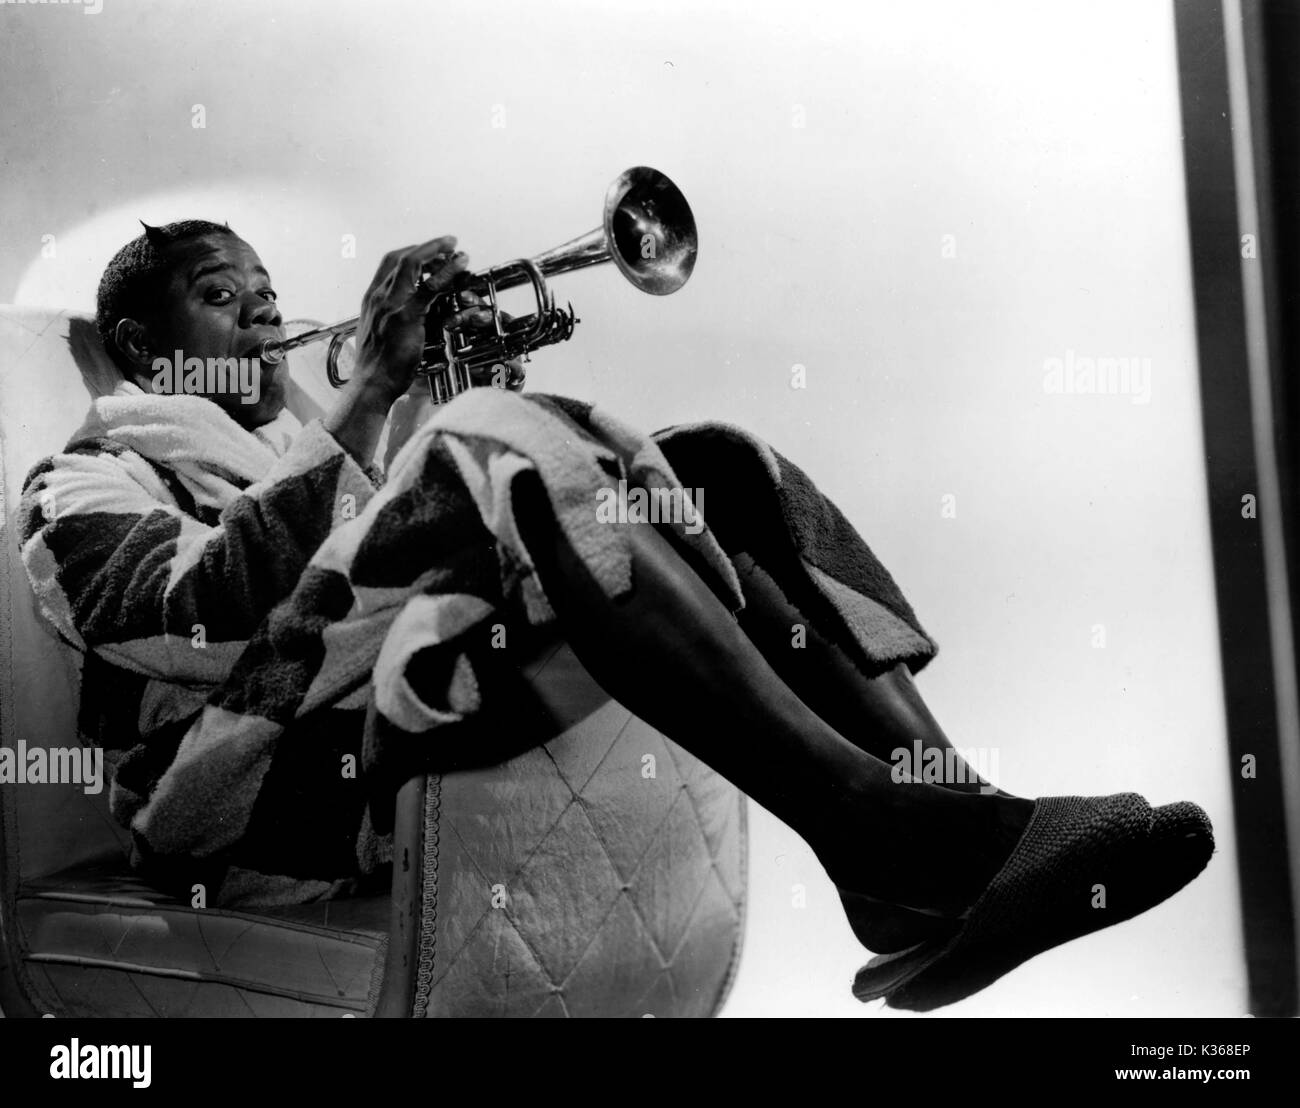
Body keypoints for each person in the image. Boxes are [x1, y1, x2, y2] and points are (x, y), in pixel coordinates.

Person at [17, 219, 1214, 1012]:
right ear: (140, 347)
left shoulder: (308, 454)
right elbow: (175, 613)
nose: (268, 319)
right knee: (479, 442)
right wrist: (393, 405)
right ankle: (878, 829)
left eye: (269, 292)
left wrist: (438, 425)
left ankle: (942, 834)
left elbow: (367, 581)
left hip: (364, 736)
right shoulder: (81, 479)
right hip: (231, 805)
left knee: (705, 468)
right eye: (223, 299)